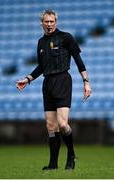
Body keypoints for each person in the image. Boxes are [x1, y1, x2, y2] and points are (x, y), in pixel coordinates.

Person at [16, 9, 91, 170]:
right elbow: (42, 66)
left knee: (63, 124)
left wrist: (86, 82)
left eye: (52, 21)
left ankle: (71, 155)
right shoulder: (41, 42)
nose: (49, 24)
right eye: (46, 22)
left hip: (63, 81)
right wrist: (28, 79)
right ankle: (53, 164)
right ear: (41, 23)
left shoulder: (66, 37)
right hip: (47, 83)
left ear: (56, 22)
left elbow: (79, 60)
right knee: (51, 126)